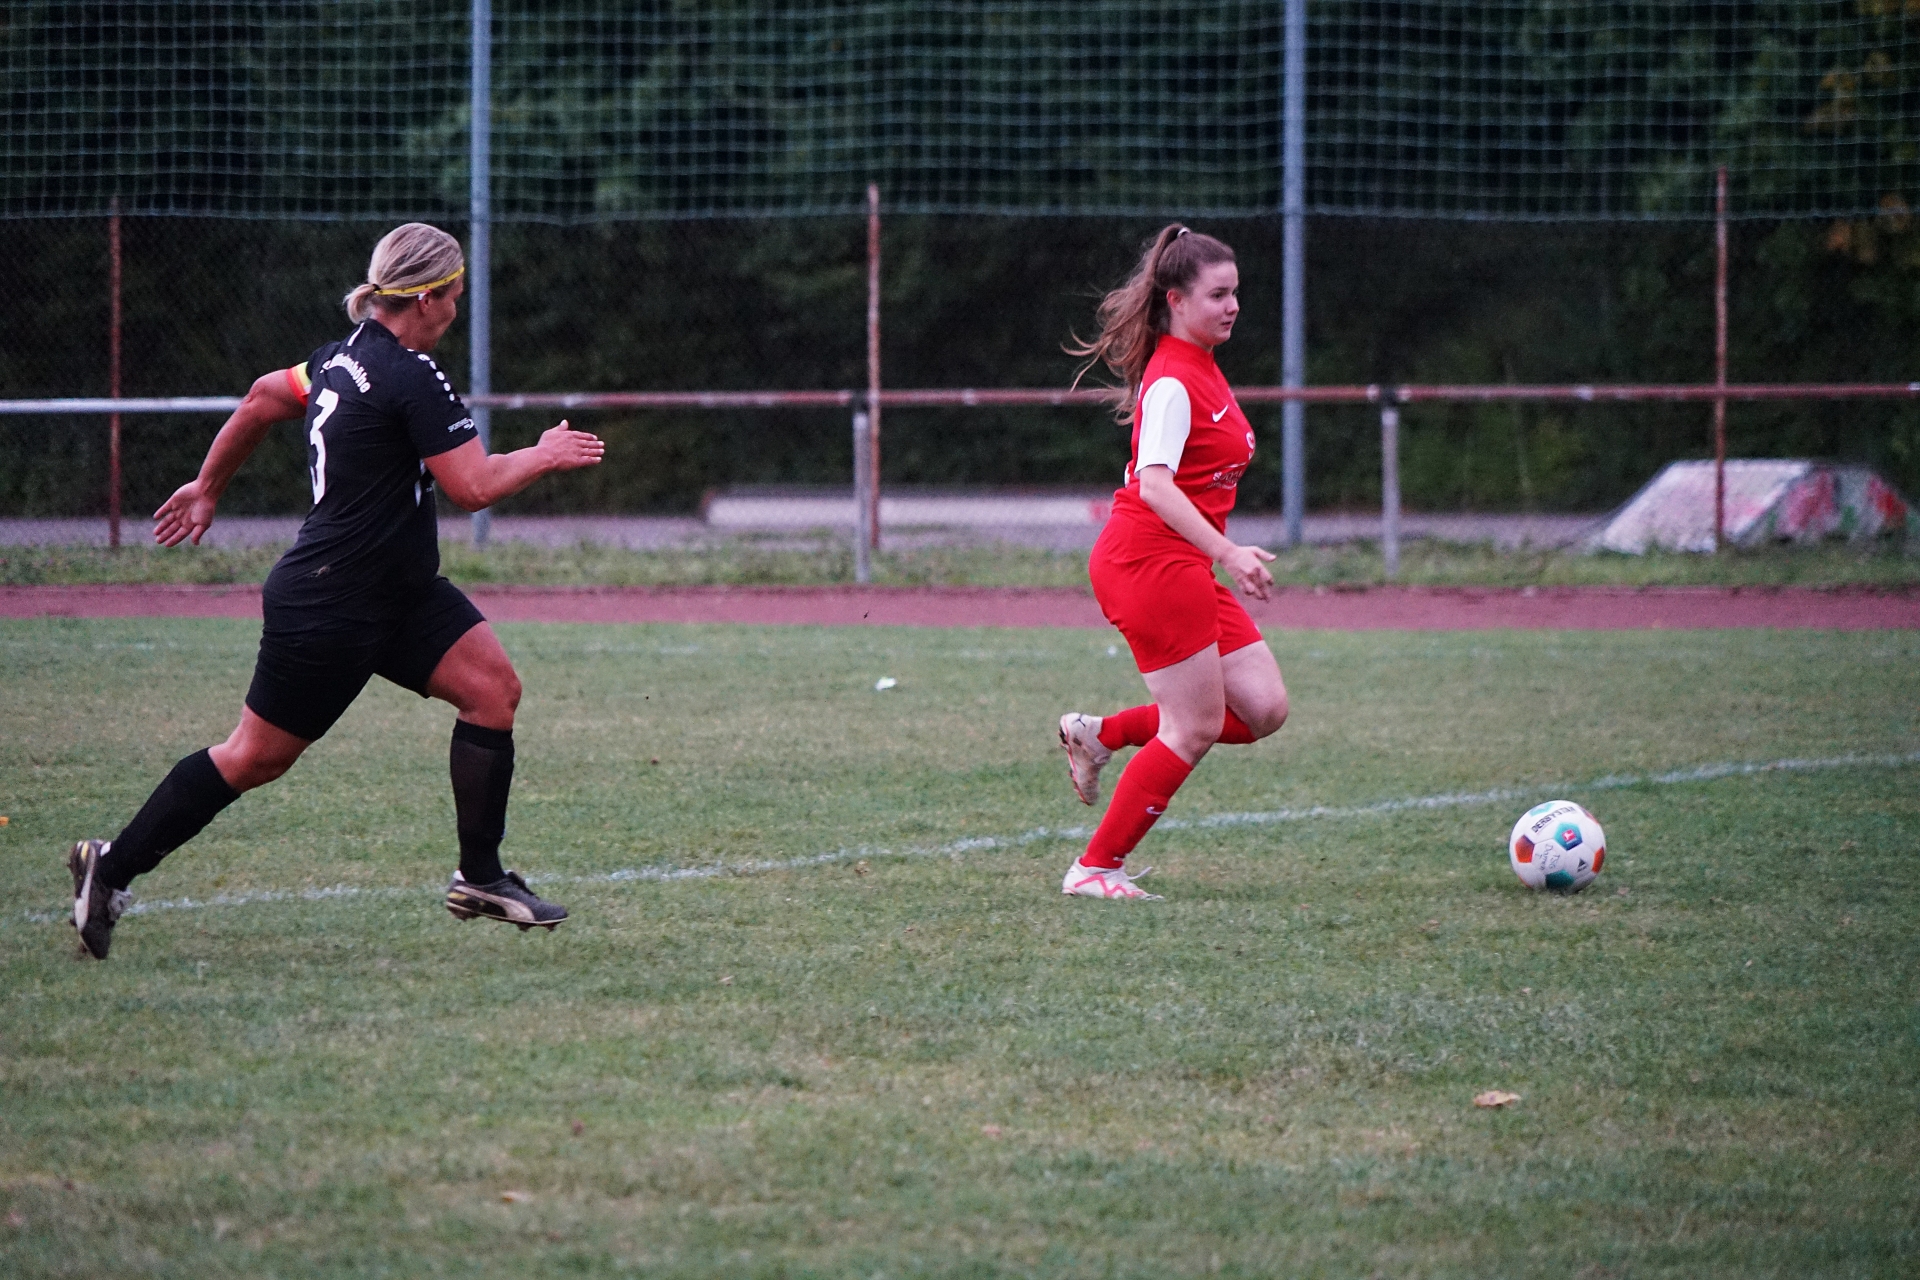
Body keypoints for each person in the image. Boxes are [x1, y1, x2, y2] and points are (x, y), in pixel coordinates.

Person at [66, 222, 605, 959]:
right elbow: (474, 487)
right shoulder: (411, 375)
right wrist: (543, 454)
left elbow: (262, 396)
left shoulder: (339, 358)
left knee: (492, 691)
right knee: (253, 757)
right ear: (427, 299)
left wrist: (208, 485)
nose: (457, 309)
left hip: (398, 592)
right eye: (454, 295)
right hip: (332, 602)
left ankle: (480, 877)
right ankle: (110, 868)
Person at [1056, 224, 1289, 900]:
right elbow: (1155, 485)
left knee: (1264, 708)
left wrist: (1214, 554)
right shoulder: (1172, 381)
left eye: (1235, 292)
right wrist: (1228, 552)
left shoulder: (1203, 365)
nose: (1233, 305)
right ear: (1176, 301)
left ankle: (1100, 735)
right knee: (1193, 727)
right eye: (1218, 294)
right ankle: (1094, 869)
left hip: (1182, 563)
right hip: (1147, 562)